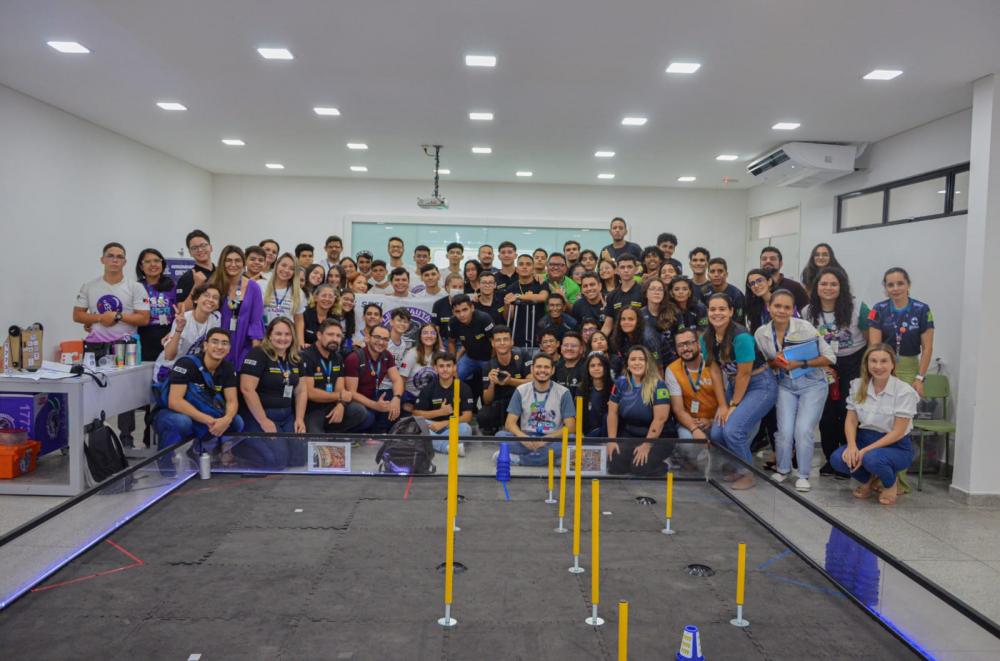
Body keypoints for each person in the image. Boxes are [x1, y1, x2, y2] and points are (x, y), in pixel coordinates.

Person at [755, 289, 836, 492]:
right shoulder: (761, 333)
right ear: (769, 307)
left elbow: (830, 357)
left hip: (813, 384)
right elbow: (767, 363)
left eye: (786, 307)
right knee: (784, 431)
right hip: (784, 385)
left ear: (793, 310)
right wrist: (777, 361)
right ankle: (783, 469)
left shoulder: (805, 327)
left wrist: (800, 363)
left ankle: (803, 475)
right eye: (777, 306)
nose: (781, 311)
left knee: (803, 430)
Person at [73, 242, 151, 447]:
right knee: (91, 391)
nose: (115, 260)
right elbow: (78, 315)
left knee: (126, 394)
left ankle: (126, 437)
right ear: (102, 260)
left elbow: (143, 318)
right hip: (95, 346)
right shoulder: (90, 286)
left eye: (119, 256)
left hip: (125, 345)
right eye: (111, 256)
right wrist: (100, 318)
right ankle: (92, 438)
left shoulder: (135, 287)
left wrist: (118, 316)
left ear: (125, 262)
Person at [703, 293, 778, 489]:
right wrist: (722, 405)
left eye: (722, 309)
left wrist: (733, 405)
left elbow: (744, 374)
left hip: (760, 384)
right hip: (736, 384)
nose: (717, 313)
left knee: (733, 430)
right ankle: (737, 468)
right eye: (713, 309)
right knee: (718, 433)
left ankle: (748, 474)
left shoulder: (741, 336)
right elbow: (715, 372)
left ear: (731, 311)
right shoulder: (706, 337)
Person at [830, 344, 918, 506]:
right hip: (864, 439)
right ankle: (869, 480)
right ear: (866, 364)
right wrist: (851, 446)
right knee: (838, 459)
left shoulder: (904, 391)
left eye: (884, 361)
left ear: (893, 364)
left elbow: (898, 432)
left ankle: (890, 484)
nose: (878, 366)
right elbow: (851, 420)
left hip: (895, 446)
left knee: (871, 459)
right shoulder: (857, 385)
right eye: (873, 361)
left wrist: (864, 451)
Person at [803, 266, 870, 478]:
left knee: (848, 410)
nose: (828, 288)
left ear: (842, 286)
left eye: (833, 284)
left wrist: (868, 369)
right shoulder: (807, 312)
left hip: (853, 362)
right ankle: (832, 459)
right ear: (816, 287)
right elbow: (806, 342)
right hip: (824, 363)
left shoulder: (858, 307)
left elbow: (871, 339)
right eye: (823, 284)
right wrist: (819, 364)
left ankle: (848, 458)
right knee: (827, 413)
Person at [153, 327, 243, 453]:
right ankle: (165, 459)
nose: (219, 347)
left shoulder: (227, 368)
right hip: (172, 413)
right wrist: (208, 420)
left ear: (229, 349)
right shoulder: (186, 364)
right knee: (182, 422)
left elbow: (232, 401)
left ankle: (199, 451)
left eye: (224, 343)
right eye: (215, 342)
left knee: (237, 421)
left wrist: (226, 419)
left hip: (204, 413)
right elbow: (174, 401)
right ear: (205, 345)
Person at [236, 317, 307, 467]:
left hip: (286, 415)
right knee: (278, 461)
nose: (283, 338)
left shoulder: (296, 358)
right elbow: (247, 389)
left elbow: (301, 391)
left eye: (287, 334)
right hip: (260, 414)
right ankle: (237, 447)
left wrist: (299, 419)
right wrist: (263, 420)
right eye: (278, 334)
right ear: (269, 335)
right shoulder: (258, 354)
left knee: (299, 458)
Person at [606, 346, 675, 476]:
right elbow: (612, 413)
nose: (637, 363)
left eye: (641, 359)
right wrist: (612, 440)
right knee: (615, 464)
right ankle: (631, 459)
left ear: (647, 363)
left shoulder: (659, 385)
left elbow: (660, 419)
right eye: (633, 359)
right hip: (631, 434)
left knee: (640, 468)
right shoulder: (620, 383)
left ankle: (665, 464)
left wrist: (647, 445)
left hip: (659, 437)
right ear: (627, 363)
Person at [498, 354, 576, 466]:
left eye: (546, 367)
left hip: (551, 438)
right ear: (532, 369)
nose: (542, 370)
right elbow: (509, 424)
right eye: (539, 367)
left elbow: (571, 427)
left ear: (553, 370)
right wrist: (524, 438)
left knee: (572, 439)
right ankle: (550, 459)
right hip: (526, 438)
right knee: (500, 436)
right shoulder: (521, 390)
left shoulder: (563, 392)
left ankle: (520, 460)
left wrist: (545, 440)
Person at [868, 267, 934, 398]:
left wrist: (919, 378)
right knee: (884, 410)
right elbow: (874, 346)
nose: (895, 288)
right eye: (890, 285)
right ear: (886, 288)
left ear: (908, 285)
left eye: (900, 283)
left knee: (906, 411)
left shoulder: (922, 309)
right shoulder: (877, 309)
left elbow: (927, 348)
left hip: (910, 368)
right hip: (883, 366)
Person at [301, 318, 371, 433]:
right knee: (317, 442)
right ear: (319, 335)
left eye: (338, 336)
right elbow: (310, 393)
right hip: (311, 410)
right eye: (330, 335)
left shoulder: (337, 357)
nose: (335, 339)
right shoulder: (307, 356)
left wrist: (341, 404)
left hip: (331, 405)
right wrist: (340, 397)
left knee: (360, 412)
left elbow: (340, 388)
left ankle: (332, 433)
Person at [154, 282, 222, 383]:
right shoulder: (183, 319)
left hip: (192, 372)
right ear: (196, 299)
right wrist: (178, 329)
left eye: (215, 297)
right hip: (169, 370)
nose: (211, 300)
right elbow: (169, 356)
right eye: (206, 295)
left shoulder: (216, 318)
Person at [210, 245, 265, 368]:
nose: (233, 264)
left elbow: (256, 321)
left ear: (243, 262)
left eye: (237, 260)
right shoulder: (215, 284)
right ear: (223, 263)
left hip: (243, 344)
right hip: (218, 343)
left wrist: (255, 354)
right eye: (229, 260)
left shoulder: (253, 287)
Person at [343, 325, 404, 433]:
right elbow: (351, 393)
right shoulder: (354, 358)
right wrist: (376, 406)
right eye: (377, 337)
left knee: (395, 403)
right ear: (367, 337)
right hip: (353, 402)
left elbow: (397, 380)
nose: (381, 342)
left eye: (385, 339)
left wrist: (397, 398)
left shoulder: (387, 355)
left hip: (372, 397)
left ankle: (377, 434)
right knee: (368, 417)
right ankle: (349, 434)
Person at [413, 351, 475, 455]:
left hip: (452, 427)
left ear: (454, 367)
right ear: (435, 368)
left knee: (466, 429)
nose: (445, 369)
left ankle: (436, 444)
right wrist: (440, 412)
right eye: (441, 366)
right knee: (417, 425)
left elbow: (467, 417)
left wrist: (445, 423)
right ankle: (448, 447)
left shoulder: (464, 388)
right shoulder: (429, 388)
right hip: (432, 427)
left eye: (448, 366)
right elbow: (416, 413)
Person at [665, 329, 719, 440]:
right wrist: (694, 428)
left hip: (717, 419)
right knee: (689, 444)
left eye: (689, 343)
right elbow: (678, 409)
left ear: (699, 344)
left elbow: (727, 398)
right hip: (690, 421)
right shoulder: (672, 369)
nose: (685, 349)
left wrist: (712, 421)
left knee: (722, 436)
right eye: (680, 345)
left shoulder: (713, 363)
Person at [478, 325, 533, 434]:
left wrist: (510, 381)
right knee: (483, 416)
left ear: (512, 342)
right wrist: (492, 384)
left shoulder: (523, 356)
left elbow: (533, 382)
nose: (502, 343)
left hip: (521, 403)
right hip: (500, 403)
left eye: (505, 339)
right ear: (493, 343)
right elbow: (487, 400)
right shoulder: (488, 365)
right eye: (498, 340)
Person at [449, 295, 496, 401]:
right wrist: (453, 362)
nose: (462, 314)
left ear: (472, 308)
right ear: (453, 312)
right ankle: (453, 406)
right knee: (451, 376)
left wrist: (492, 362)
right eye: (457, 311)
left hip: (488, 358)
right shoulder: (453, 322)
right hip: (469, 358)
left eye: (465, 309)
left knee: (488, 384)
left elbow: (494, 342)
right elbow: (451, 342)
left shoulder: (484, 318)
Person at [135, 248, 177, 363]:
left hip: (169, 336)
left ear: (162, 264)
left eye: (156, 261)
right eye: (147, 262)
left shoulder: (173, 285)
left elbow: (181, 311)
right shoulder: (136, 287)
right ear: (141, 266)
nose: (153, 264)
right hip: (144, 337)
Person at [504, 254, 548, 347]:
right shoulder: (511, 288)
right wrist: (507, 305)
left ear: (533, 268)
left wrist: (519, 297)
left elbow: (543, 297)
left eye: (528, 264)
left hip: (538, 335)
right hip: (517, 335)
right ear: (516, 269)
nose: (524, 267)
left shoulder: (541, 284)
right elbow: (508, 317)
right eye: (521, 264)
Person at [398, 322, 443, 408]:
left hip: (433, 399)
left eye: (433, 333)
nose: (429, 336)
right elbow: (401, 380)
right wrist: (402, 400)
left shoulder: (442, 354)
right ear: (420, 336)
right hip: (412, 399)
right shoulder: (411, 354)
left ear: (437, 337)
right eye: (425, 333)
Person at [262, 253, 306, 334]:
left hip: (285, 337)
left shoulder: (298, 292)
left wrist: (300, 344)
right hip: (263, 333)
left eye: (291, 268)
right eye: (283, 265)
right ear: (277, 265)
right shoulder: (261, 285)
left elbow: (299, 321)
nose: (286, 270)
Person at [600, 255, 643, 335]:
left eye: (630, 267)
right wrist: (598, 338)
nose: (626, 270)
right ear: (617, 270)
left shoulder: (644, 292)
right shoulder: (612, 296)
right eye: (622, 267)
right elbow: (608, 326)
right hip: (618, 340)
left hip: (640, 338)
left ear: (636, 270)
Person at [608, 307, 659, 376]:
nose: (626, 322)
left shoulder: (647, 337)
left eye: (631, 319)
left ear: (638, 321)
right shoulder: (620, 336)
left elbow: (658, 367)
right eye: (623, 319)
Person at [760, 246, 809, 311]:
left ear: (781, 264)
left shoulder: (795, 287)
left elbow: (805, 313)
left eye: (773, 259)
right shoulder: (756, 288)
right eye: (764, 259)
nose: (768, 261)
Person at [176, 230, 215, 309]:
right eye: (194, 248)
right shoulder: (186, 277)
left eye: (203, 245)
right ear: (190, 252)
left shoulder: (222, 272)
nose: (200, 250)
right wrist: (196, 286)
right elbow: (181, 309)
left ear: (211, 248)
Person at [579, 351, 612, 436]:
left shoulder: (614, 387)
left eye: (600, 365)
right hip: (588, 434)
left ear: (606, 367)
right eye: (592, 366)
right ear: (588, 369)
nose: (596, 368)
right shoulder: (582, 389)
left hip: (609, 434)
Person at [553, 331, 585, 397]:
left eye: (574, 346)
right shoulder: (555, 368)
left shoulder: (587, 368)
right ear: (561, 348)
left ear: (581, 349)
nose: (569, 348)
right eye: (566, 345)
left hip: (580, 406)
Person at [743, 268, 774, 332]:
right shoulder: (754, 306)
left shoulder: (783, 300)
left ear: (769, 281)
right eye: (752, 283)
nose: (756, 285)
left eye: (759, 281)